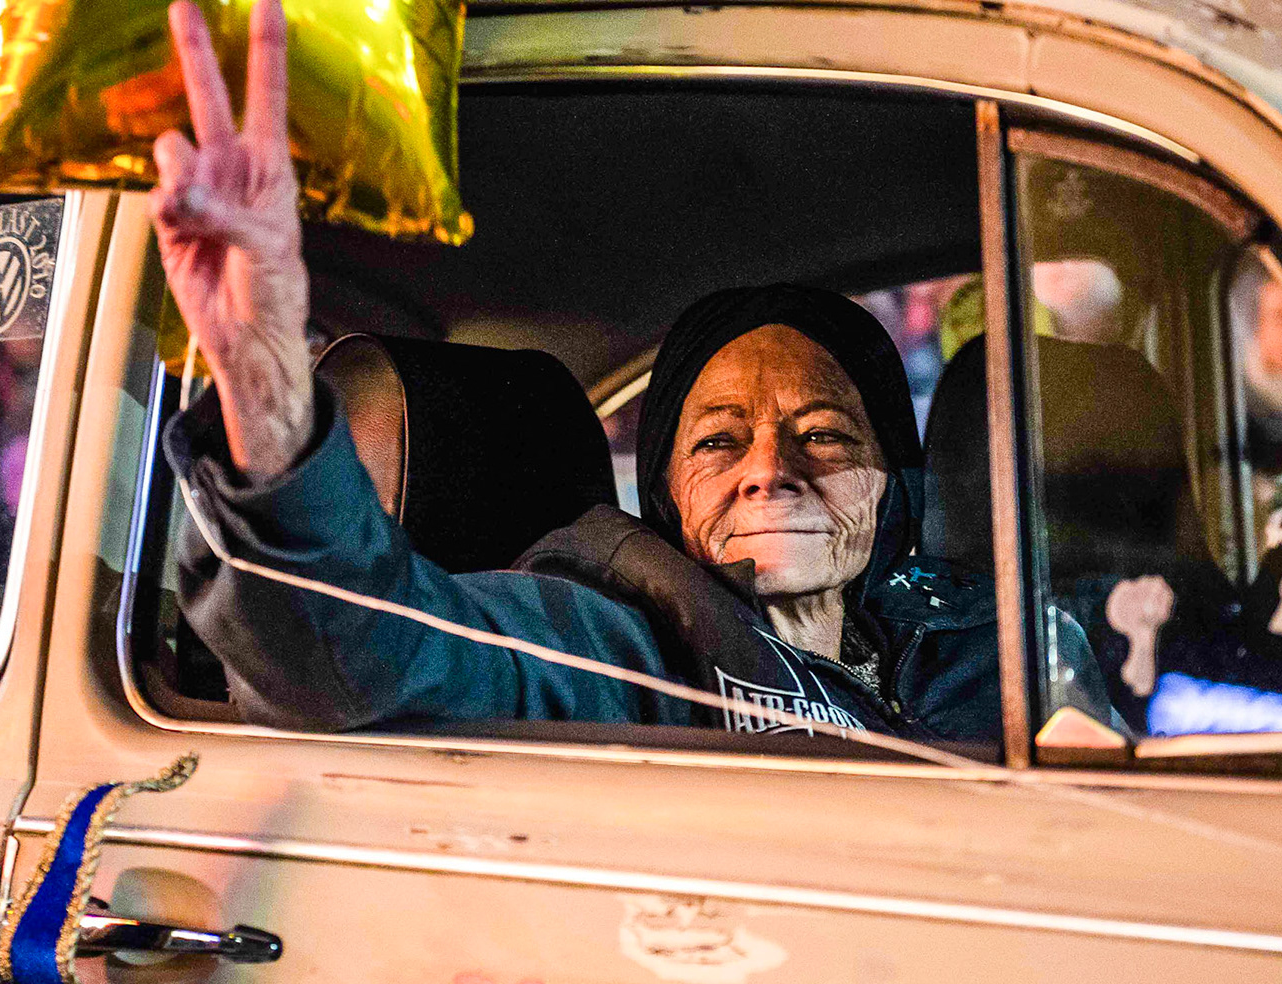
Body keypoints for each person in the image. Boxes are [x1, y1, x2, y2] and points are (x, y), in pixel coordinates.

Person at [152, 0, 1111, 744]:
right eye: (718, 441)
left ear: (893, 486)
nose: (770, 470)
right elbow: (359, 652)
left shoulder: (998, 636)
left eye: (821, 433)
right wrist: (267, 383)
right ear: (664, 495)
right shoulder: (621, 638)